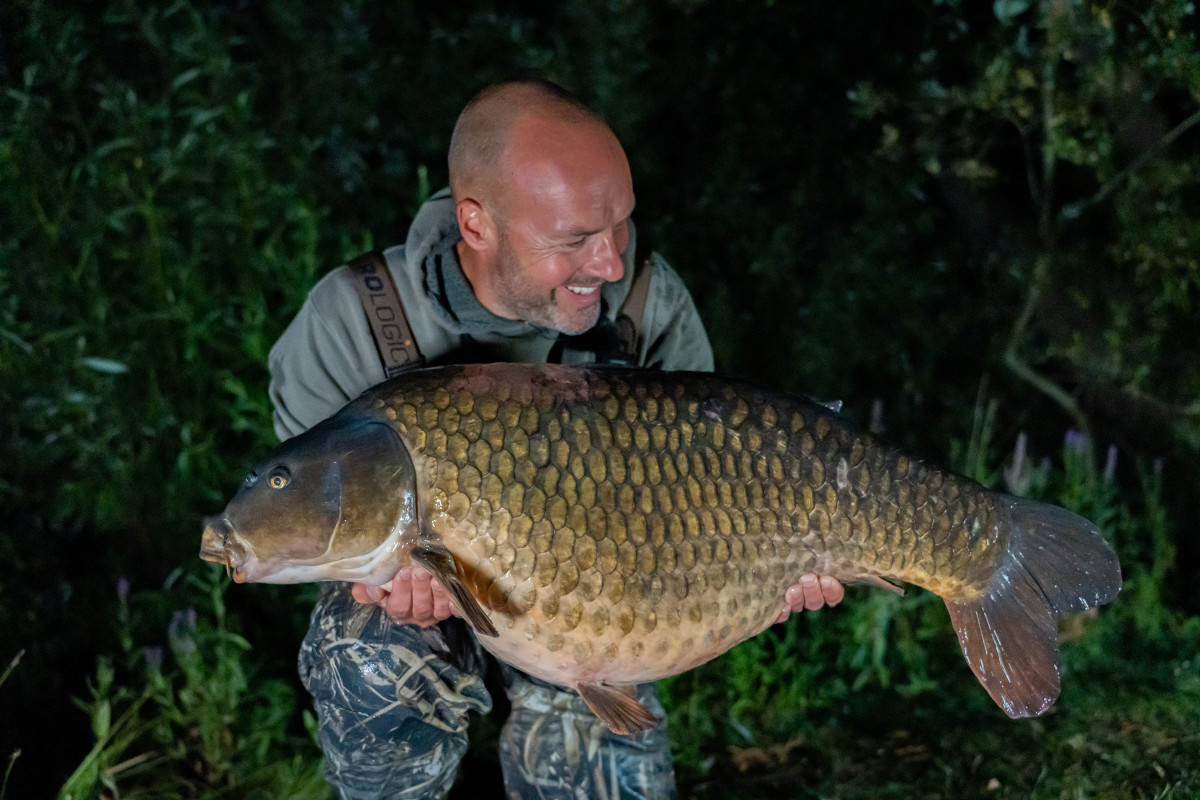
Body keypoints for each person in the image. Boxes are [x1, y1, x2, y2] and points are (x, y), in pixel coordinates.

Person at [267, 78, 844, 800]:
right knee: (371, 652)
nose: (609, 264)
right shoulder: (349, 323)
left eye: (621, 226)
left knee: (596, 730)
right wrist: (398, 580)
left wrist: (772, 565)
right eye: (574, 240)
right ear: (477, 225)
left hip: (601, 590)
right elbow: (317, 522)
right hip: (422, 593)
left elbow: (705, 509)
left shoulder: (646, 304)